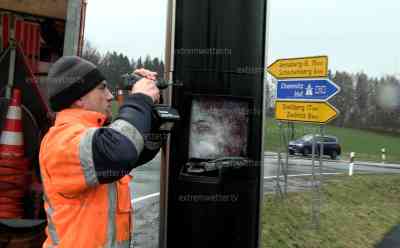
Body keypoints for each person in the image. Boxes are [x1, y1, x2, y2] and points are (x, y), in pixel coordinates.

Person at [39, 56, 160, 247]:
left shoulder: (96, 137)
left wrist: (150, 106)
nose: (110, 96)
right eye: (102, 87)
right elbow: (120, 152)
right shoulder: (62, 140)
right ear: (79, 98)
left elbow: (139, 149)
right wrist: (139, 100)